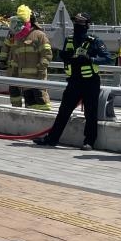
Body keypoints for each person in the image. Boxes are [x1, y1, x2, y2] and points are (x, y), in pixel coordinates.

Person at [35, 12, 112, 150]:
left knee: (90, 113)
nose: (77, 25)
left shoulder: (94, 41)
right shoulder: (69, 40)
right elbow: (64, 55)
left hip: (90, 82)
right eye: (76, 22)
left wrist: (91, 59)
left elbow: (107, 58)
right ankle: (52, 139)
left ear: (87, 25)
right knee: (63, 111)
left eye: (81, 23)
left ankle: (89, 142)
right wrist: (64, 56)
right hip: (74, 81)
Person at [1, 6, 52, 110]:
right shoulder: (16, 36)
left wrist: (41, 68)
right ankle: (19, 114)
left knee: (41, 102)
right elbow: (8, 48)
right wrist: (3, 60)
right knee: (27, 103)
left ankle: (45, 121)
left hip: (37, 76)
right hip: (20, 74)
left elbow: (46, 54)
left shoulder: (39, 35)